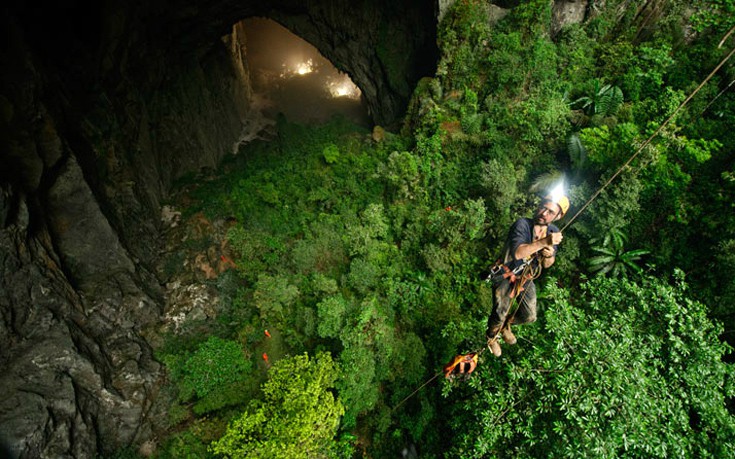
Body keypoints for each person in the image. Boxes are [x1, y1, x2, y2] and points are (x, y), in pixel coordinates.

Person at [485, 193, 569, 357]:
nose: (544, 214)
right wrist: (544, 242)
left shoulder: (553, 231)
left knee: (529, 316)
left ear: (558, 216)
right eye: (543, 208)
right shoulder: (522, 224)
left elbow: (547, 265)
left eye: (550, 212)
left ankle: (505, 326)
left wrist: (549, 254)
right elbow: (518, 253)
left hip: (525, 276)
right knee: (499, 312)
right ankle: (491, 337)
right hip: (505, 273)